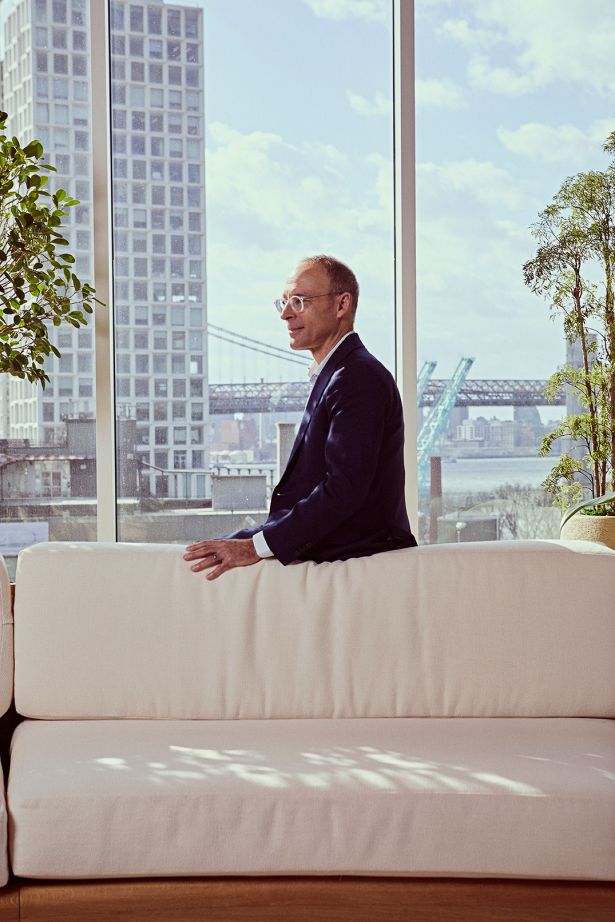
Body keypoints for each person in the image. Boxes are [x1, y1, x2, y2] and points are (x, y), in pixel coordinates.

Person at [184, 255, 417, 580]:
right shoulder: (340, 372)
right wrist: (251, 540)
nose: (285, 313)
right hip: (338, 556)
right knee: (203, 557)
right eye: (284, 301)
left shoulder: (357, 377)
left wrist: (255, 547)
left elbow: (345, 488)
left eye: (300, 301)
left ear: (341, 305)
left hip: (360, 570)